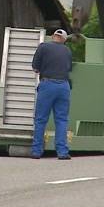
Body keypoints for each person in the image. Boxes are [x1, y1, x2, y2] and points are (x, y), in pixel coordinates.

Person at [31, 29, 73, 160]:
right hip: (64, 86)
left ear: (53, 36)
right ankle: (62, 152)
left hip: (47, 84)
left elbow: (35, 68)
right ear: (64, 40)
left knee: (41, 119)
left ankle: (37, 151)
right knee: (61, 120)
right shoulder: (67, 51)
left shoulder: (43, 47)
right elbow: (69, 68)